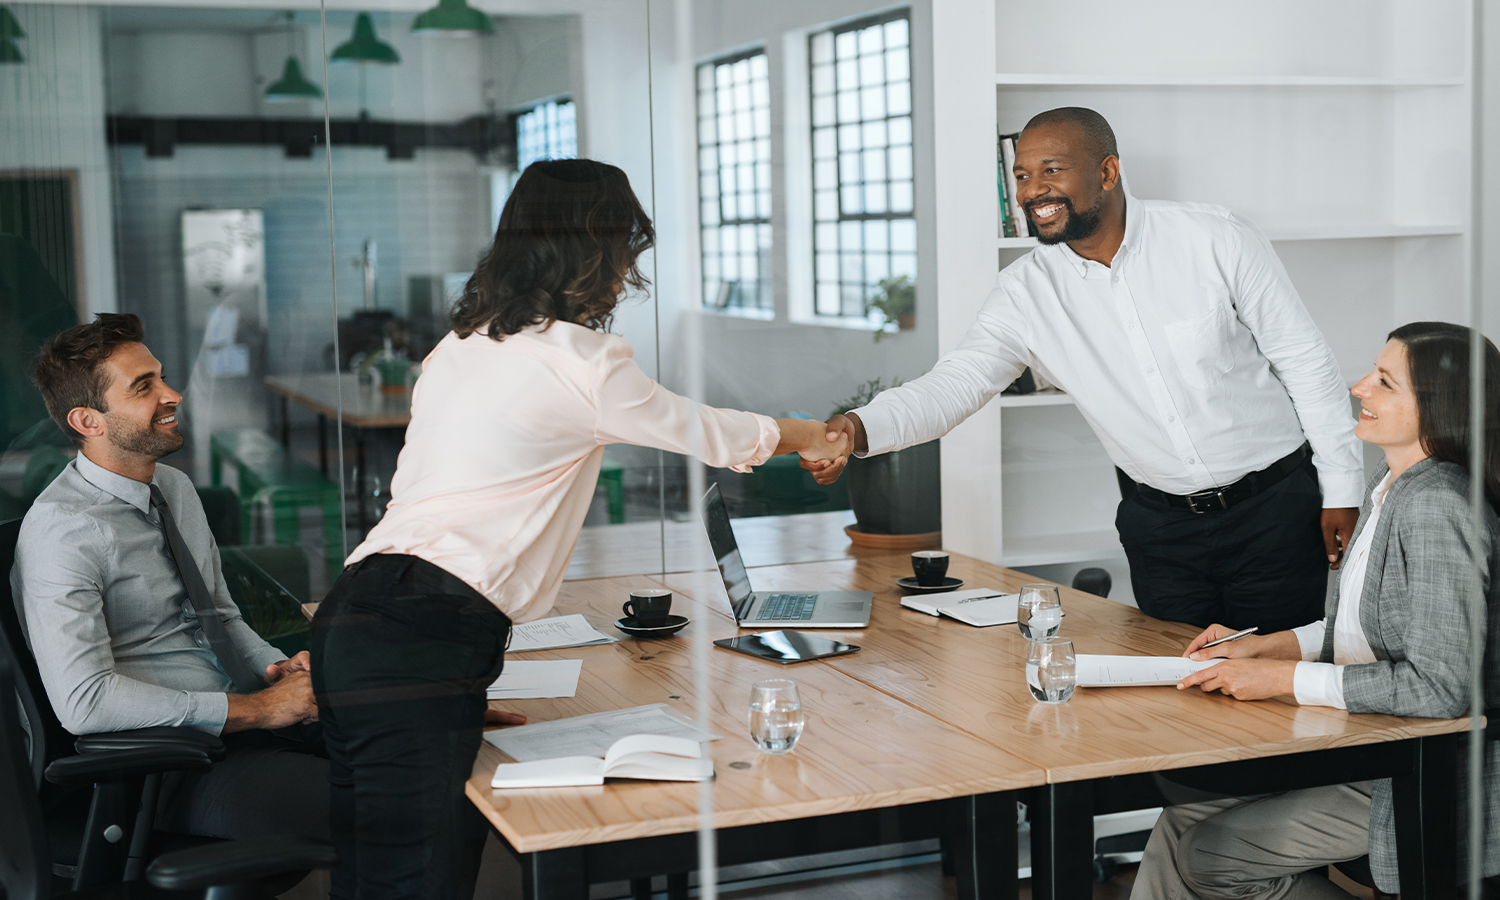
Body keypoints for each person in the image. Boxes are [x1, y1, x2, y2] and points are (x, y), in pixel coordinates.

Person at [310, 158, 852, 900]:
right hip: (422, 632)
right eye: (626, 244)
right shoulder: (584, 365)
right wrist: (814, 434)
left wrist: (452, 685)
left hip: (364, 616)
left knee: (376, 872)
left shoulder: (459, 347)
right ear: (596, 246)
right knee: (416, 881)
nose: (630, 266)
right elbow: (713, 432)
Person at [806, 106, 1362, 634]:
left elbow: (1304, 361)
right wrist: (857, 429)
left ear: (1108, 171)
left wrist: (1342, 485)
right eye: (1022, 175)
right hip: (1160, 529)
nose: (1031, 192)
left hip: (1276, 511)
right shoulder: (1025, 292)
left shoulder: (1214, 238)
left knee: (1281, 688)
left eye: (1052, 170)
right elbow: (956, 382)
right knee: (1187, 692)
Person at [1134, 322, 1500, 899]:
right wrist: (1262, 645)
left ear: (1438, 407)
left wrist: (1281, 678)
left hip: (1422, 770)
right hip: (1369, 744)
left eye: (1384, 382)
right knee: (1179, 819)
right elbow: (1361, 629)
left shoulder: (1437, 508)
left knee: (1208, 854)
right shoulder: (1392, 486)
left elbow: (1440, 689)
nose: (1359, 388)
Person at [12, 312, 328, 842]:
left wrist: (277, 674)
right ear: (88, 421)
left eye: (160, 376)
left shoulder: (174, 488)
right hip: (168, 769)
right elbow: (85, 703)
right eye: (144, 386)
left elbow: (220, 617)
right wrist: (254, 711)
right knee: (385, 809)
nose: (173, 393)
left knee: (430, 756)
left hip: (244, 730)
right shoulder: (63, 532)